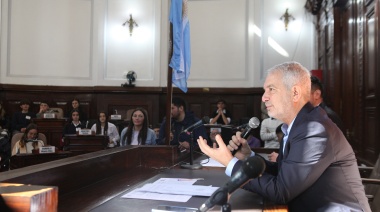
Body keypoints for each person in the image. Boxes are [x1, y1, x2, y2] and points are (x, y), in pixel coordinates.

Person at [197, 62, 370, 211]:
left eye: (271, 89)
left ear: (295, 93)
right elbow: (285, 172)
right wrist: (247, 157)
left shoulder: (314, 129)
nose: (264, 97)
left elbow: (281, 190)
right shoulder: (299, 125)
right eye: (265, 90)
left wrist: (230, 162)